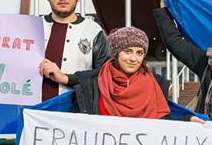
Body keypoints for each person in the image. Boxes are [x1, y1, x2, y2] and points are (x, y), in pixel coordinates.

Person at [46, 26, 195, 121]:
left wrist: (187, 121)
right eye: (128, 51)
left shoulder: (157, 84)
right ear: (116, 54)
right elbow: (73, 123)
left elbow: (164, 124)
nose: (133, 59)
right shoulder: (93, 84)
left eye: (139, 53)